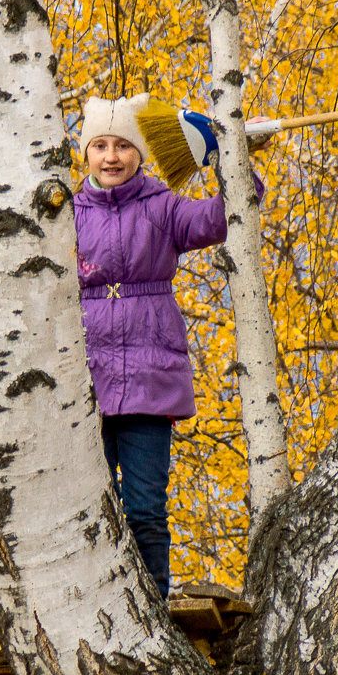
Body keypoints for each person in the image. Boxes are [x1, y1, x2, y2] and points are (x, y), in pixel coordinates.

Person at [73, 93, 266, 597]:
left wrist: (236, 163)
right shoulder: (66, 216)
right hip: (83, 383)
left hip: (149, 378)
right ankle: (98, 603)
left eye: (122, 146)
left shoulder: (161, 207)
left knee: (143, 508)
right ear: (86, 153)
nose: (111, 156)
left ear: (141, 153)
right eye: (100, 146)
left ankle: (153, 604)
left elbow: (221, 217)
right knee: (89, 508)